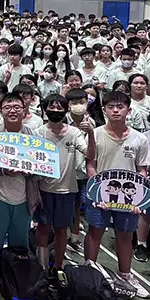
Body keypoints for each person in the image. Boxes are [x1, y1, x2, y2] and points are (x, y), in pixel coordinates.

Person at [84, 91, 150, 298]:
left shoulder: (139, 139)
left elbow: (142, 170)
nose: (115, 110)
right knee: (95, 231)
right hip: (100, 195)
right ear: (104, 110)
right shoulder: (95, 134)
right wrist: (97, 192)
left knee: (124, 235)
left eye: (120, 107)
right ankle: (90, 273)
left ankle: (125, 275)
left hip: (127, 199)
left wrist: (138, 198)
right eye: (111, 106)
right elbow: (90, 163)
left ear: (128, 111)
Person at [0, 92, 40, 298]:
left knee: (19, 240)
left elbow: (43, 166)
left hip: (24, 198)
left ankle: (14, 275)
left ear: (25, 110)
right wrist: (4, 169)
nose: (12, 110)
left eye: (17, 107)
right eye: (8, 107)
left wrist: (30, 169)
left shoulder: (34, 136)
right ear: (1, 110)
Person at [33, 94, 88, 277]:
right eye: (51, 108)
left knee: (61, 230)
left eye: (59, 108)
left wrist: (92, 135)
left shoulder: (74, 133)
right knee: (42, 227)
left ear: (66, 110)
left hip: (67, 190)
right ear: (45, 109)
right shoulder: (38, 132)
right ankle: (41, 266)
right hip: (43, 189)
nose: (55, 111)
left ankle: (57, 267)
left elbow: (89, 153)